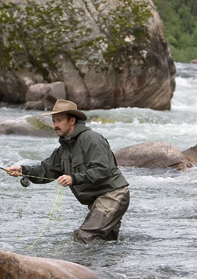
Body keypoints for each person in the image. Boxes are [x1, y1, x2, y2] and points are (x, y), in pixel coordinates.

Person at [7, 99, 129, 244]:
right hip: (98, 200)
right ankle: (104, 267)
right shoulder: (63, 149)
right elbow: (45, 170)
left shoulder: (91, 139)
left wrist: (74, 178)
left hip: (113, 195)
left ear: (72, 121)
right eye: (53, 121)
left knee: (84, 236)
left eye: (59, 120)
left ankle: (80, 265)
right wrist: (23, 170)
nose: (55, 125)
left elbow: (103, 170)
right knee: (106, 244)